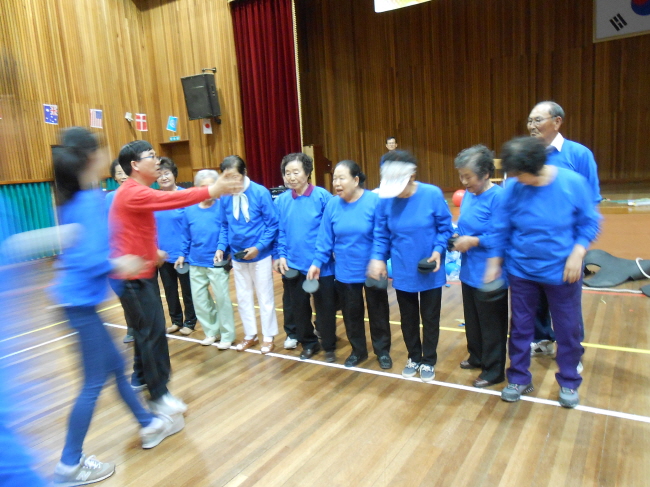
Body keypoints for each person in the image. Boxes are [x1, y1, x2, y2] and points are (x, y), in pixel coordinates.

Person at [51, 128, 186, 486]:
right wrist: (118, 263)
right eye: (101, 149)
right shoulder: (87, 202)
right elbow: (86, 259)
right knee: (94, 383)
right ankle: (69, 465)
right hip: (78, 305)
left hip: (80, 303)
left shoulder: (80, 198)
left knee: (115, 366)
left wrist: (138, 253)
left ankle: (149, 423)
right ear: (91, 157)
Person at [109, 140, 241, 416]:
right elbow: (170, 200)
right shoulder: (133, 191)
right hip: (131, 278)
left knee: (147, 332)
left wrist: (151, 251)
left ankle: (142, 378)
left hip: (139, 272)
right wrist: (212, 189)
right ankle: (159, 395)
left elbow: (133, 230)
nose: (157, 161)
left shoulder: (136, 191)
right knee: (152, 333)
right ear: (135, 165)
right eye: (151, 156)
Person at [484, 136, 601, 408]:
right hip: (522, 271)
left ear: (536, 168)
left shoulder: (572, 183)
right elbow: (501, 228)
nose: (516, 179)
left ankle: (569, 381)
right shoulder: (514, 187)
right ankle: (519, 378)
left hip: (562, 272)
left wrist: (578, 253)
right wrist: (494, 263)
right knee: (520, 328)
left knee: (567, 330)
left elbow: (589, 223)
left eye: (519, 174)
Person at [368, 150, 453, 382]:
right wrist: (378, 258)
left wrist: (437, 251)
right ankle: (414, 357)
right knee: (408, 318)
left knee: (430, 318)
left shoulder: (432, 194)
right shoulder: (385, 200)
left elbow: (445, 228)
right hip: (403, 269)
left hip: (430, 269)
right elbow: (381, 234)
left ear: (412, 176)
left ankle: (429, 360)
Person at [527, 101, 601, 360]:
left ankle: (571, 353)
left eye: (538, 120)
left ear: (557, 122)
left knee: (566, 305)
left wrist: (579, 251)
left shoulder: (578, 154)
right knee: (536, 299)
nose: (532, 126)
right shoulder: (529, 157)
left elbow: (591, 204)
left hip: (566, 247)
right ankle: (542, 339)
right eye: (530, 121)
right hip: (535, 246)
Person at [308, 160, 392, 369]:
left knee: (378, 312)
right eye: (334, 178)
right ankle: (358, 351)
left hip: (373, 269)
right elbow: (325, 238)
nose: (336, 183)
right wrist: (317, 262)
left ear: (355, 180)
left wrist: (379, 259)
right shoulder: (332, 205)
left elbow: (383, 235)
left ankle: (382, 351)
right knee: (351, 314)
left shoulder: (374, 201)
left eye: (341, 178)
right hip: (346, 270)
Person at [452, 145, 508, 388]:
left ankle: (494, 370)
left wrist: (473, 241)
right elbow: (465, 226)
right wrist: (457, 238)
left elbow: (502, 236)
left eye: (468, 177)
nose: (464, 182)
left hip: (490, 272)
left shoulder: (498, 198)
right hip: (469, 270)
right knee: (473, 320)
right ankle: (477, 356)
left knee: (492, 325)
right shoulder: (469, 195)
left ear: (485, 174)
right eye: (461, 176)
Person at [274, 153, 337, 362]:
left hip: (322, 266)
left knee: (325, 309)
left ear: (307, 173)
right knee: (299, 309)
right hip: (294, 265)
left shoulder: (322, 197)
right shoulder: (281, 201)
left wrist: (318, 260)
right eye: (287, 173)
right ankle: (308, 343)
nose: (291, 177)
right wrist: (281, 255)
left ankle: (328, 345)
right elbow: (280, 231)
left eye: (296, 172)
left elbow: (329, 233)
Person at [215, 156, 279, 354]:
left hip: (260, 255)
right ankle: (250, 334)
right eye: (227, 178)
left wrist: (259, 247)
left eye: (235, 177)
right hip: (237, 255)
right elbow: (224, 225)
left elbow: (272, 224)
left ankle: (268, 337)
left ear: (244, 173)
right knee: (243, 297)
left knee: (265, 296)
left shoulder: (260, 192)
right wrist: (221, 247)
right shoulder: (225, 196)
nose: (232, 183)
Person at [176, 170, 235, 348]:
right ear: (196, 188)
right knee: (200, 300)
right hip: (195, 261)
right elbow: (185, 235)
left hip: (217, 262)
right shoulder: (189, 209)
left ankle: (227, 335)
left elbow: (226, 230)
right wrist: (182, 254)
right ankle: (211, 332)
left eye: (211, 186)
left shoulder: (222, 206)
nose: (207, 190)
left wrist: (221, 249)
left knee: (222, 299)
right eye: (203, 187)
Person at [155, 157, 197, 336]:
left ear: (174, 174)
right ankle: (176, 321)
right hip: (163, 254)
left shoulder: (185, 195)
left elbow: (192, 226)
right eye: (160, 175)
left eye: (167, 173)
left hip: (183, 254)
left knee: (188, 291)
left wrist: (184, 252)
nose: (163, 177)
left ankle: (190, 321)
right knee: (170, 291)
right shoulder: (154, 198)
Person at [105, 158, 135, 343]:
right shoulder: (109, 198)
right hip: (118, 252)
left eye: (124, 171)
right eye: (118, 173)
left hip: (136, 251)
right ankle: (131, 327)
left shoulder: (138, 193)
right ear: (114, 177)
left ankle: (149, 326)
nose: (123, 175)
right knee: (124, 293)